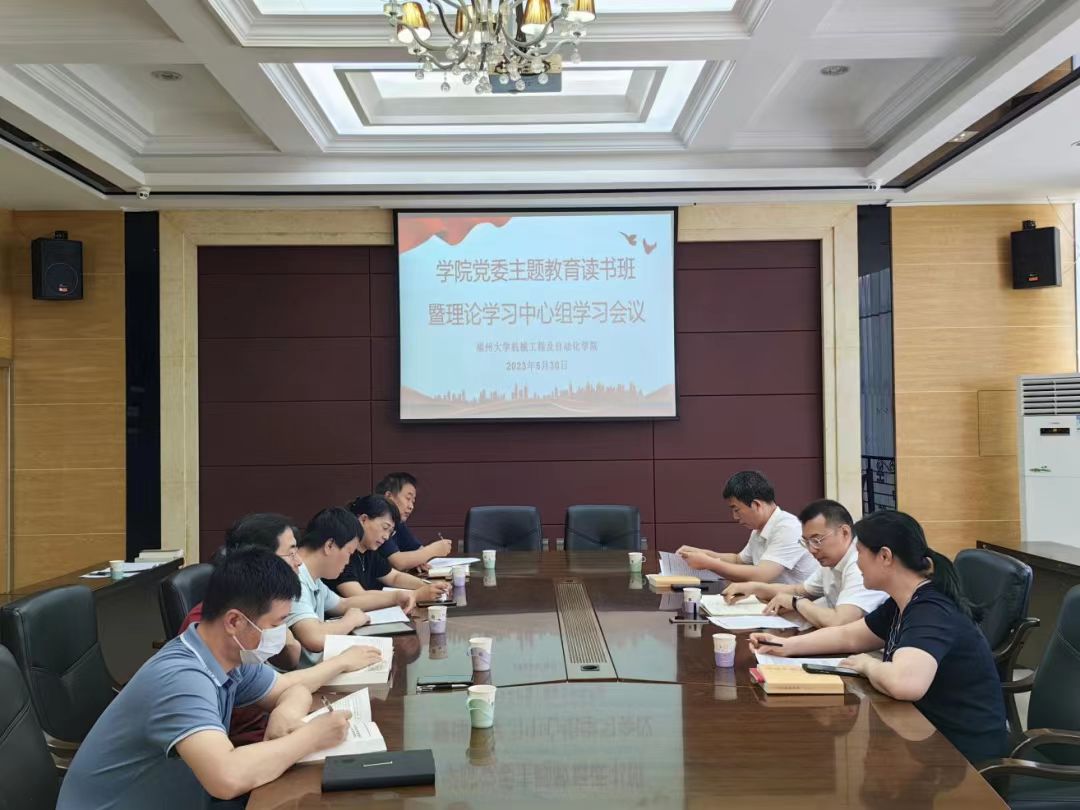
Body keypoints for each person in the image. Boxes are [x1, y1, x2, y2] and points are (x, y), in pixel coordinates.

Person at [57, 548, 383, 810]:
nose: (282, 634)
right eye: (276, 624)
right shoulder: (182, 678)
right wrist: (312, 736)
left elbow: (290, 686)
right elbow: (226, 777)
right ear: (234, 622)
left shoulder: (230, 656)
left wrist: (285, 712)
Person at [749, 510, 1007, 763]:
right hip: (926, 735)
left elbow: (905, 684)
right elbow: (849, 636)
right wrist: (786, 645)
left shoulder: (931, 610)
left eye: (860, 553)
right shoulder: (902, 602)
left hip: (963, 757)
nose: (857, 562)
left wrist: (867, 664)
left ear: (885, 556)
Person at [720, 499, 887, 627]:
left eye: (817, 540)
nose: (812, 550)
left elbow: (840, 621)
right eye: (806, 542)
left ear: (844, 532)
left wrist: (797, 603)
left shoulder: (859, 563)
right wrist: (753, 588)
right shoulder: (831, 561)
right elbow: (799, 590)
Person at [675, 470, 819, 584]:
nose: (735, 517)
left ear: (756, 505)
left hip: (799, 607)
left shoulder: (788, 528)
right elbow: (738, 560)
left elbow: (762, 575)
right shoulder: (759, 529)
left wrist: (709, 563)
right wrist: (701, 553)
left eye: (736, 509)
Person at [327, 494, 452, 602]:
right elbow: (358, 596)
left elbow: (394, 577)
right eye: (385, 528)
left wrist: (429, 586)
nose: (386, 537)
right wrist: (416, 595)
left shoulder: (369, 551)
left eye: (390, 532)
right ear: (364, 519)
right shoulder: (342, 552)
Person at [374, 472, 453, 570]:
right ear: (389, 496)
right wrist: (433, 550)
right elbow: (399, 562)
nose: (411, 506)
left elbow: (418, 549)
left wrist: (418, 560)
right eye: (408, 498)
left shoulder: (399, 523)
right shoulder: (377, 522)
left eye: (413, 501)